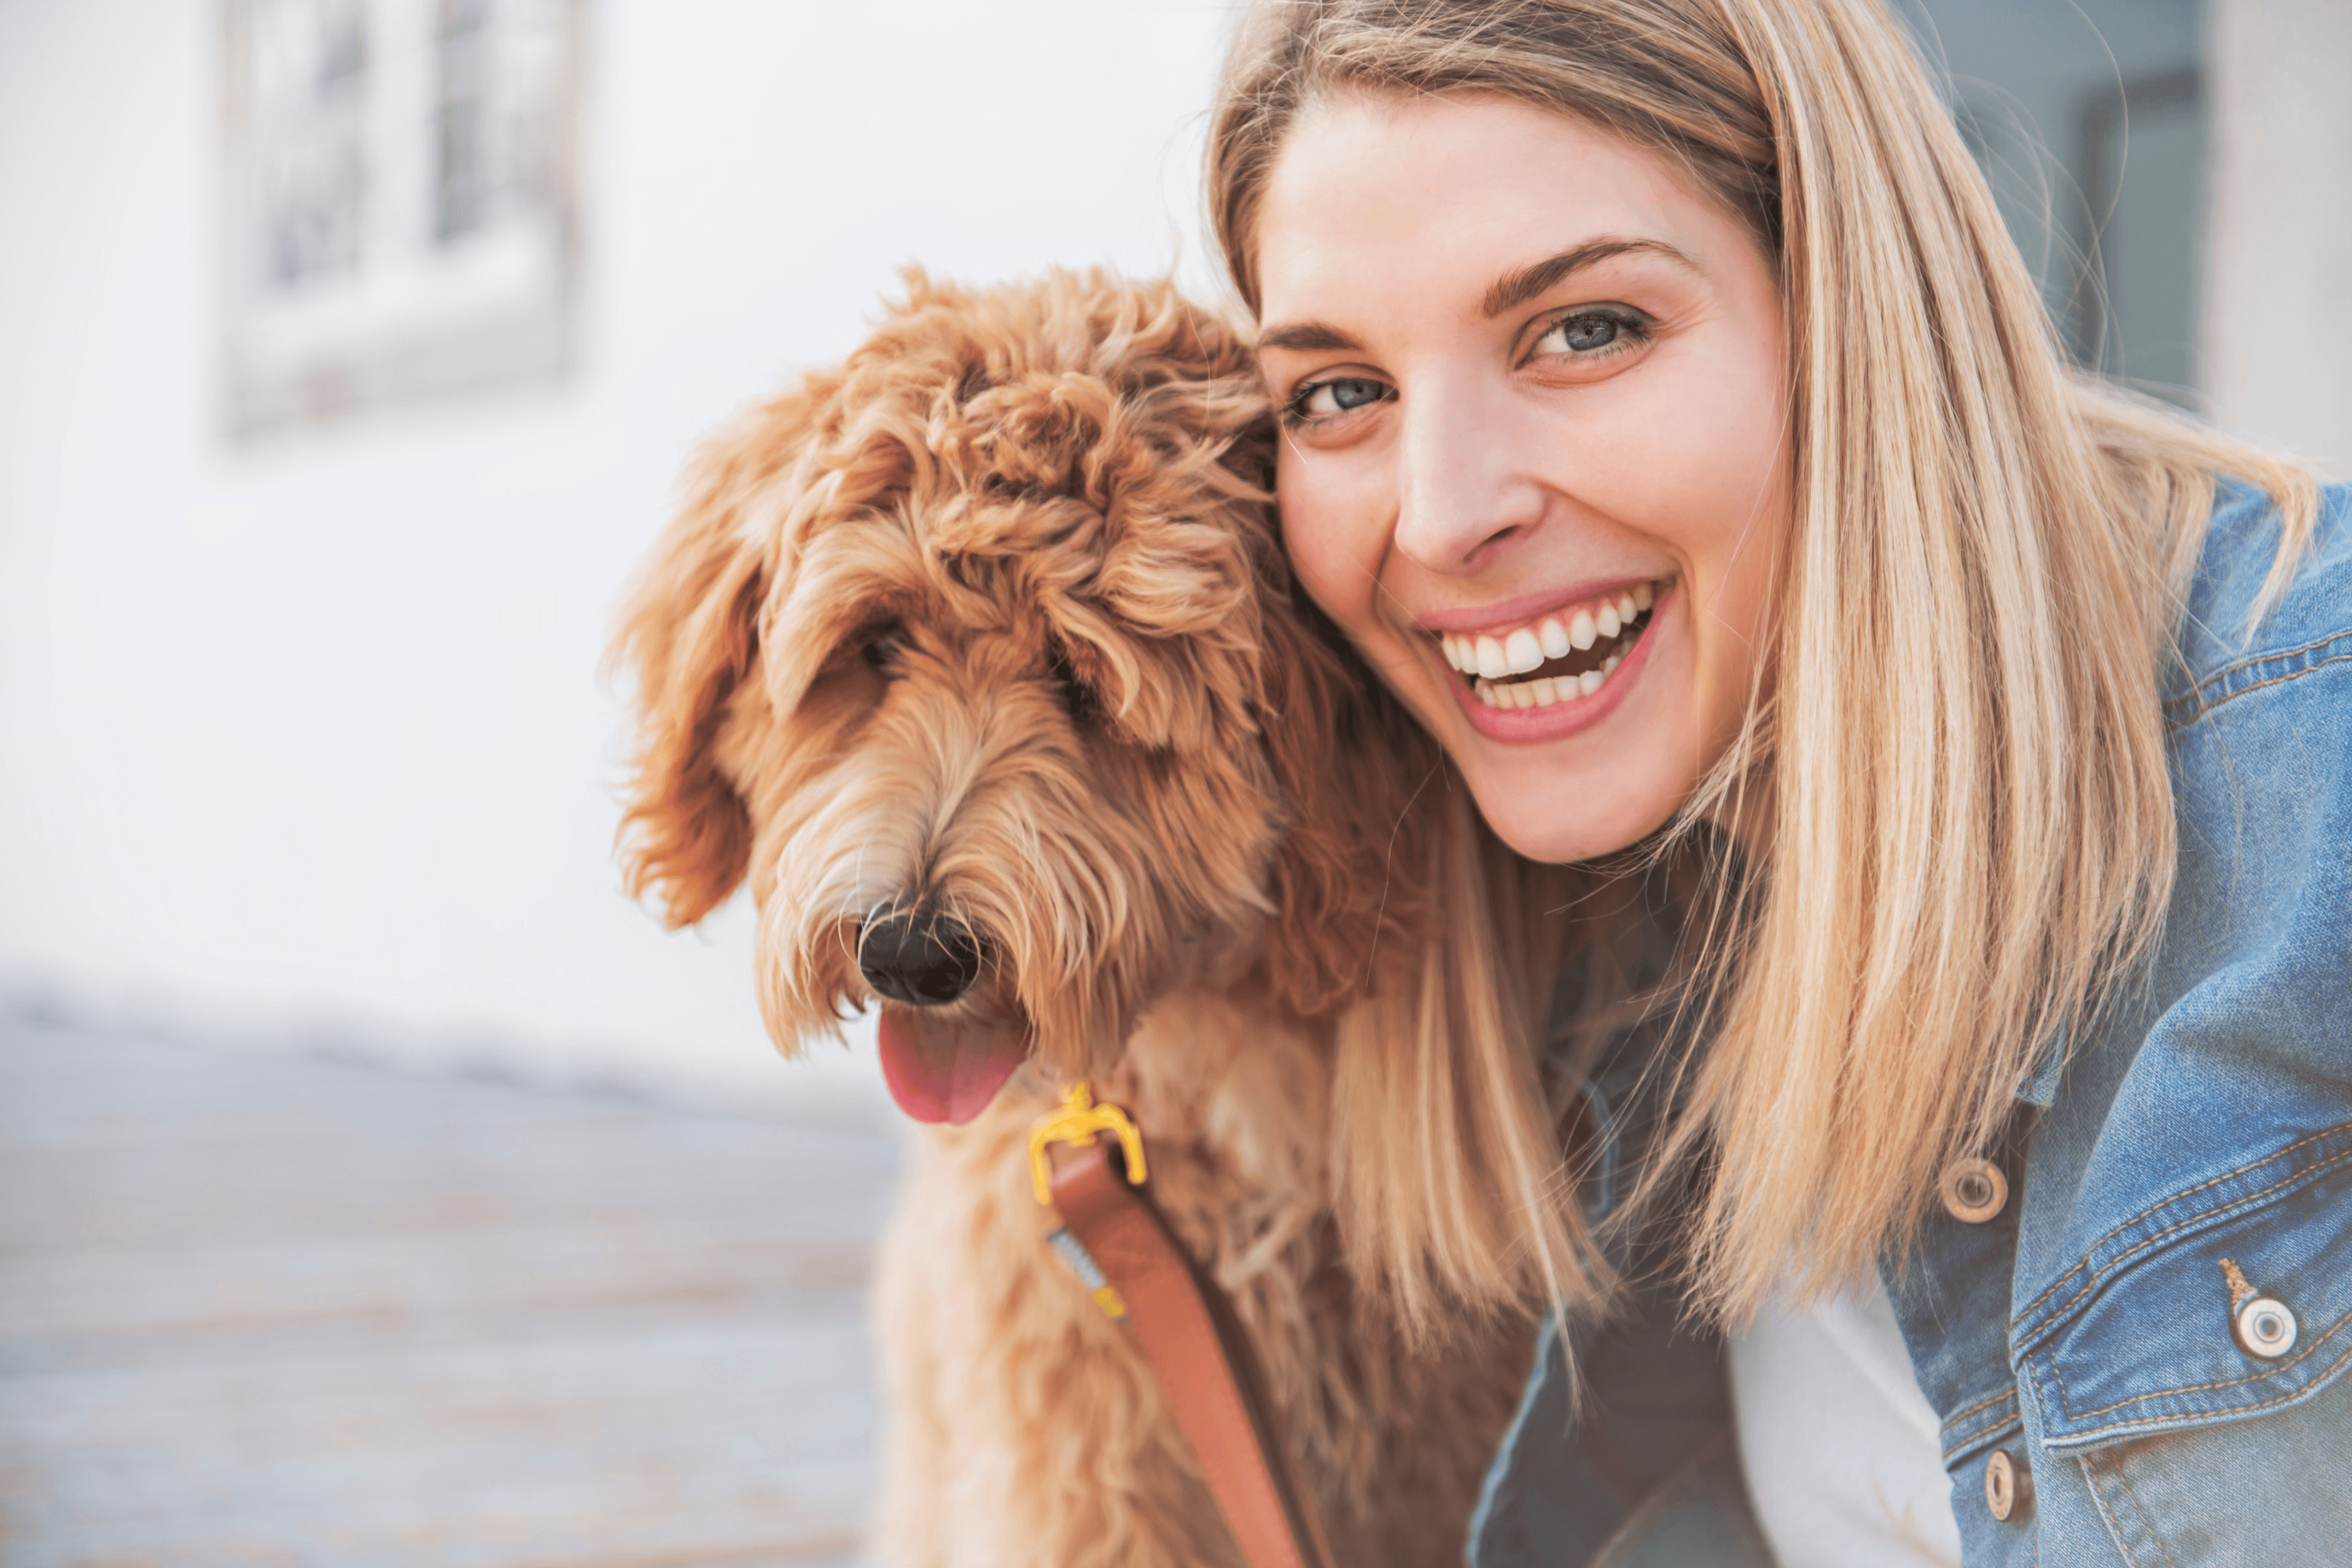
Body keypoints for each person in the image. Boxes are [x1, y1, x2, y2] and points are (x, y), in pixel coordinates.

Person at [1201, 1, 2352, 1563]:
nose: (1443, 510)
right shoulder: (1583, 951)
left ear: (1851, 311)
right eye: (1338, 392)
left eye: (1587, 329)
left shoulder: (2317, 771)